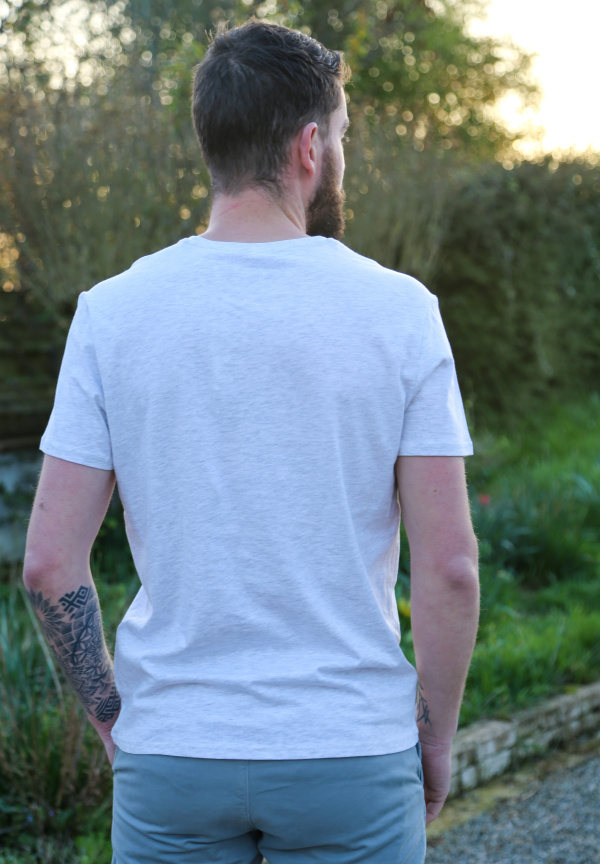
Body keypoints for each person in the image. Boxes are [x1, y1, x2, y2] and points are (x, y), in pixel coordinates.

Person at [22, 17, 480, 864]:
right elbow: (450, 568)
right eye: (341, 136)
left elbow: (49, 564)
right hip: (349, 752)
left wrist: (117, 721)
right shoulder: (400, 312)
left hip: (174, 755)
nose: (341, 155)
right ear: (310, 146)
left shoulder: (111, 313)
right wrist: (435, 739)